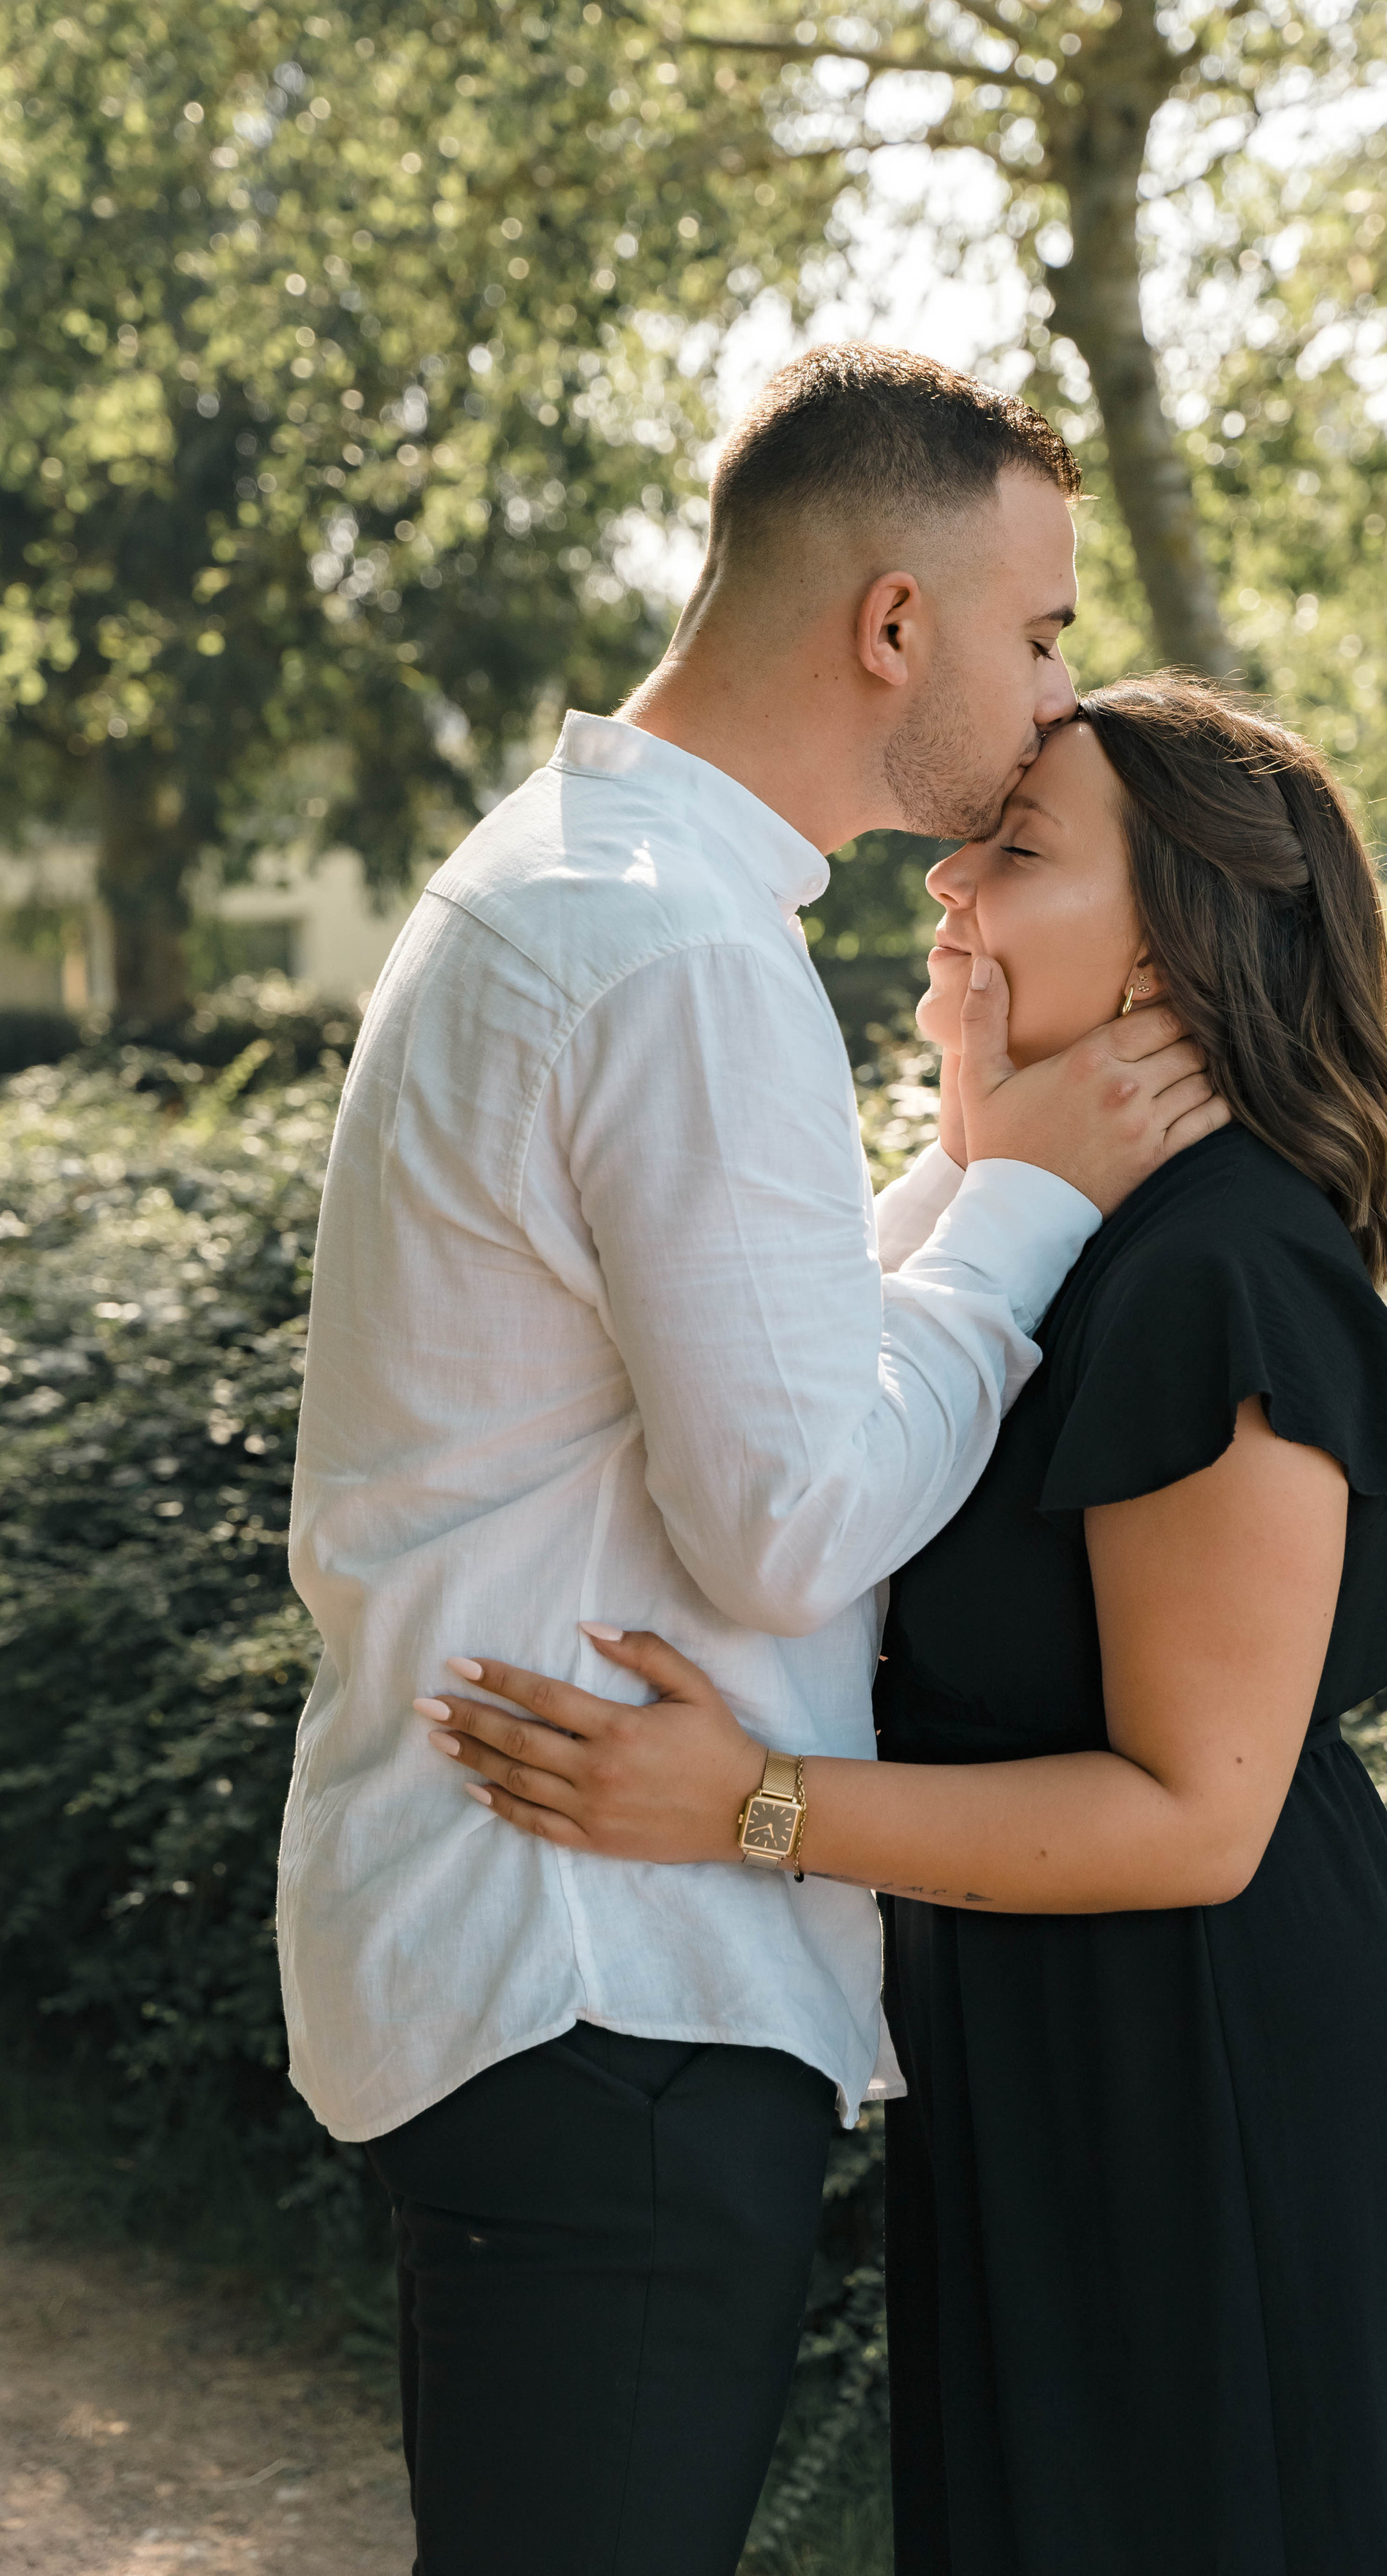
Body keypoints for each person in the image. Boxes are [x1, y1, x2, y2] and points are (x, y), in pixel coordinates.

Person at [419, 679, 1387, 2575]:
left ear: (1180, 944)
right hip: (1057, 2078)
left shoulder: (1218, 1272)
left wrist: (745, 1801)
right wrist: (984, 1134)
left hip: (1225, 2096)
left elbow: (1197, 1814)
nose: (946, 873)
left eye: (1019, 850)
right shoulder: (1058, 1240)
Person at [277, 349, 1224, 2576]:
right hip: (608, 1970)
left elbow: (708, 1361)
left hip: (548, 1957)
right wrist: (1034, 1203)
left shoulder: (585, 883)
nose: (1057, 684)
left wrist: (973, 1177)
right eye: (1043, 625)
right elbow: (787, 1516)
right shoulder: (679, 953)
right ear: (896, 626)